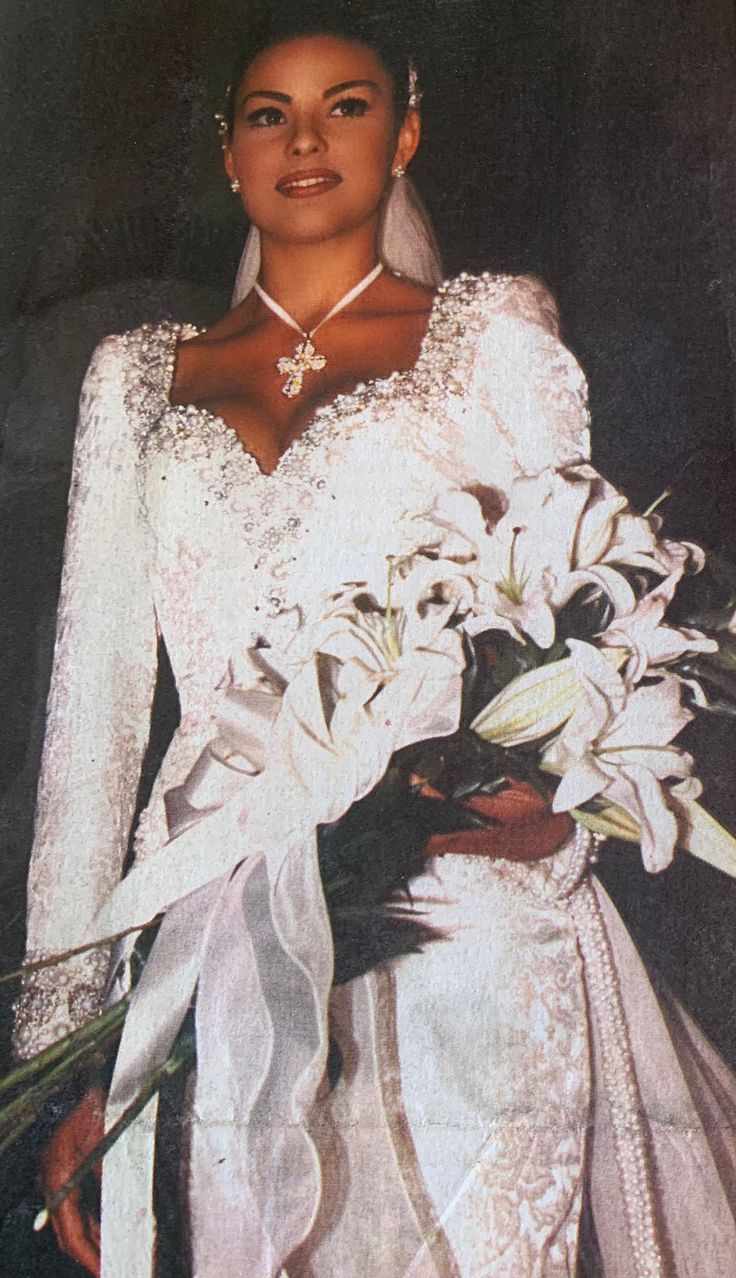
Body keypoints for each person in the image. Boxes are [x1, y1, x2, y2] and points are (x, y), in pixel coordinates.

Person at [11, 6, 736, 1277]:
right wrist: (68, 1054)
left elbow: (577, 617)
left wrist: (545, 811)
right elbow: (93, 724)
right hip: (210, 931)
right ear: (227, 155)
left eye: (344, 105)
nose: (305, 139)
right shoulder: (135, 381)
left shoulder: (491, 332)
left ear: (403, 132)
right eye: (266, 114)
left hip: (464, 911)